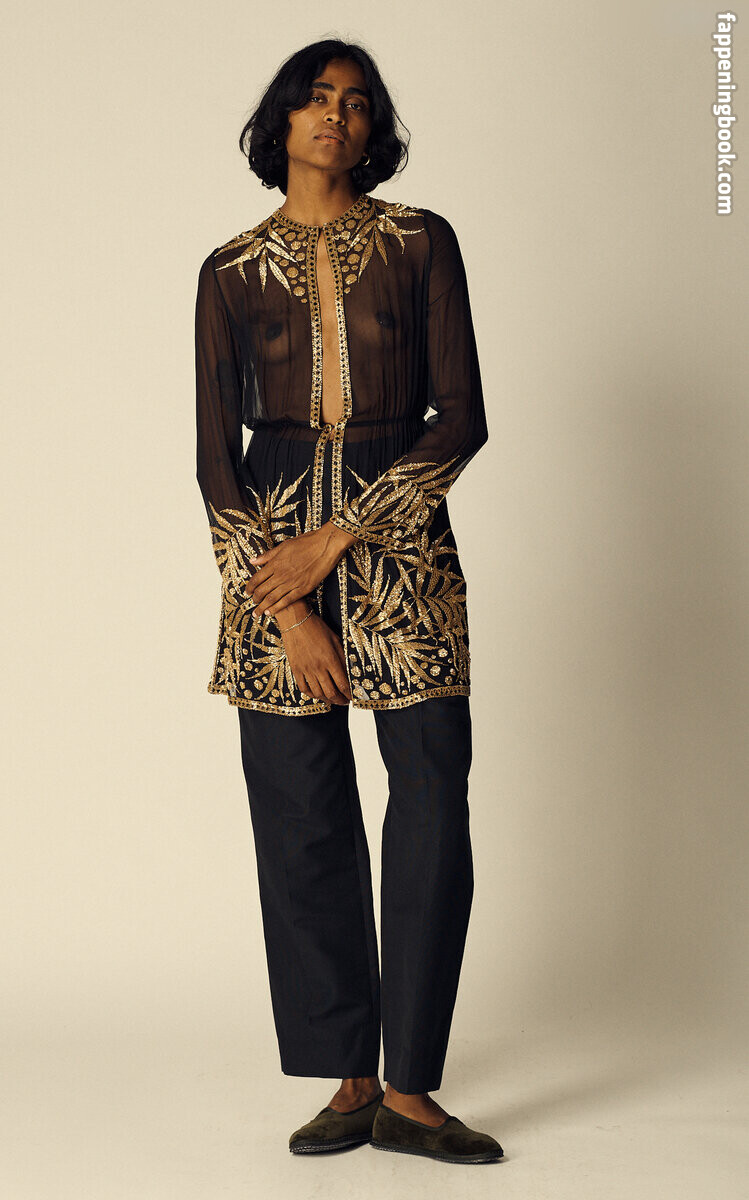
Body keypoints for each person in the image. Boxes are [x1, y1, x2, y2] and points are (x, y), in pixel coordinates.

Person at [194, 38, 503, 1166]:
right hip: (270, 561)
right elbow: (213, 460)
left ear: (373, 132)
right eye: (316, 99)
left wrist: (345, 535)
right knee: (301, 820)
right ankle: (349, 1079)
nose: (337, 115)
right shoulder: (230, 270)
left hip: (400, 552)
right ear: (280, 122)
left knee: (429, 802)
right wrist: (283, 602)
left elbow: (460, 417)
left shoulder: (420, 243)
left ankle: (410, 1091)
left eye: (358, 103)